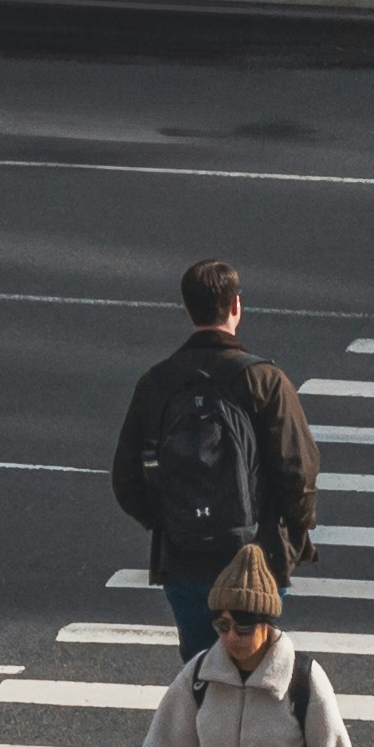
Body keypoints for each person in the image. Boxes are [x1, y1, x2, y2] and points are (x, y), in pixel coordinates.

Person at [111, 255, 321, 661]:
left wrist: (170, 519)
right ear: (236, 306)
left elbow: (126, 481)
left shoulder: (157, 383)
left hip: (184, 558)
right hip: (256, 558)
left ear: (188, 309)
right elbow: (299, 471)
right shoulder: (265, 381)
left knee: (199, 673)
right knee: (254, 669)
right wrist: (294, 531)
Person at [123, 545, 359, 747]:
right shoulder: (199, 677)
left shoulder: (303, 681)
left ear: (266, 624)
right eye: (223, 626)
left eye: (243, 628)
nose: (232, 637)